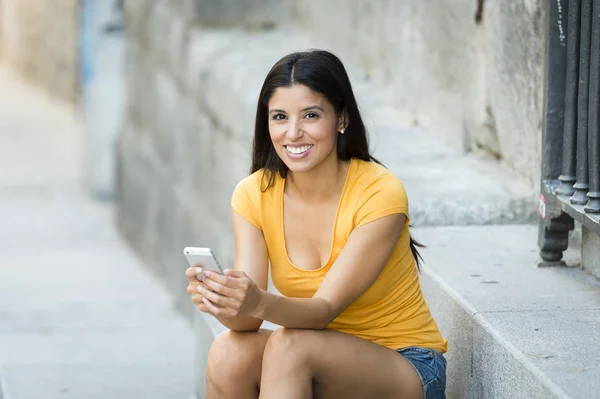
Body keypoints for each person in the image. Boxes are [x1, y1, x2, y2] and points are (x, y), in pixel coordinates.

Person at [185, 49, 448, 399]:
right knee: (228, 352)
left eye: (310, 115)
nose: (293, 133)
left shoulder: (379, 193)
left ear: (341, 118)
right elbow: (248, 321)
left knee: (290, 346)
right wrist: (225, 300)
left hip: (403, 363)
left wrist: (257, 302)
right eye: (280, 117)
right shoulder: (254, 194)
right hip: (308, 353)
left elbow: (323, 311)